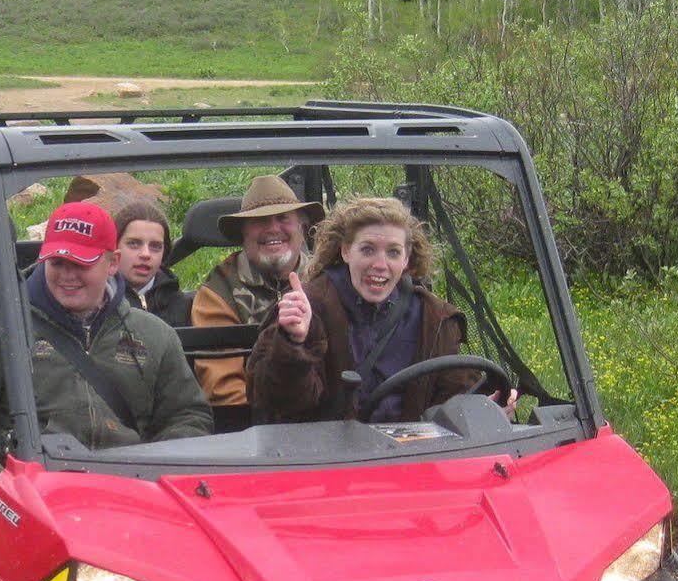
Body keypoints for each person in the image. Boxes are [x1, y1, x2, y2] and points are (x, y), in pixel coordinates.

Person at [0, 201, 211, 492]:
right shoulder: (0, 334)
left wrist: (154, 476)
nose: (67, 275)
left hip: (131, 497)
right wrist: (2, 486)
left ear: (112, 262)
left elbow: (188, 416)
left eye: (80, 264)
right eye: (57, 262)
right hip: (32, 500)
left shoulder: (156, 336)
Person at [249, 195, 511, 425]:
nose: (380, 264)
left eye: (393, 252)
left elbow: (452, 403)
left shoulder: (435, 318)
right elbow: (275, 404)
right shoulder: (306, 307)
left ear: (406, 259)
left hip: (410, 465)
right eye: (368, 250)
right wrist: (292, 342)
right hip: (325, 465)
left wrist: (485, 411)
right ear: (346, 251)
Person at [188, 173, 321, 408]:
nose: (273, 229)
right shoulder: (218, 292)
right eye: (260, 221)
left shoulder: (325, 280)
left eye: (283, 218)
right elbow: (223, 392)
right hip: (251, 430)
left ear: (303, 228)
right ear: (243, 234)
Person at [109, 197, 189, 324]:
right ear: (114, 247)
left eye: (156, 246)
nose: (146, 254)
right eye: (134, 243)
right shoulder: (96, 300)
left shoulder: (179, 303)